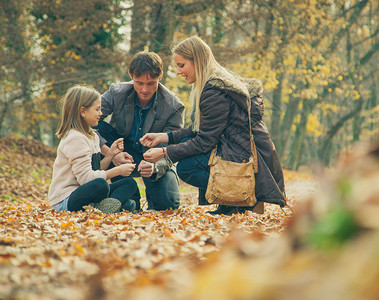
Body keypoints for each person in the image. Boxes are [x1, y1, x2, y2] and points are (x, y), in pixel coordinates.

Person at [140, 36, 286, 215]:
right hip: (236, 149)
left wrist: (164, 152)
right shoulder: (214, 83)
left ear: (197, 61)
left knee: (187, 167)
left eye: (181, 65)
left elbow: (204, 141)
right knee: (186, 144)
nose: (178, 72)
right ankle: (232, 202)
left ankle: (240, 199)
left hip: (240, 155)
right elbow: (199, 130)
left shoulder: (214, 91)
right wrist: (164, 137)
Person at [95, 51, 185, 211]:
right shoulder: (116, 93)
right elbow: (85, 121)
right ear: (131, 76)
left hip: (153, 158)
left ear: (160, 77)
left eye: (151, 83)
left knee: (167, 205)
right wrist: (111, 154)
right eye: (139, 83)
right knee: (96, 126)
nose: (145, 89)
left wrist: (155, 167)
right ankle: (129, 200)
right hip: (120, 152)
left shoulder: (174, 106)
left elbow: (173, 149)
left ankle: (145, 196)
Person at [48, 85, 138, 213]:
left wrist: (111, 154)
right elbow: (87, 179)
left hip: (86, 193)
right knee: (101, 185)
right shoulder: (75, 138)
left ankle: (105, 208)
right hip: (66, 200)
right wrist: (117, 170)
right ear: (83, 112)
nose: (101, 113)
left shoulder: (93, 136)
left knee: (129, 183)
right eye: (97, 109)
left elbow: (95, 170)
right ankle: (110, 207)